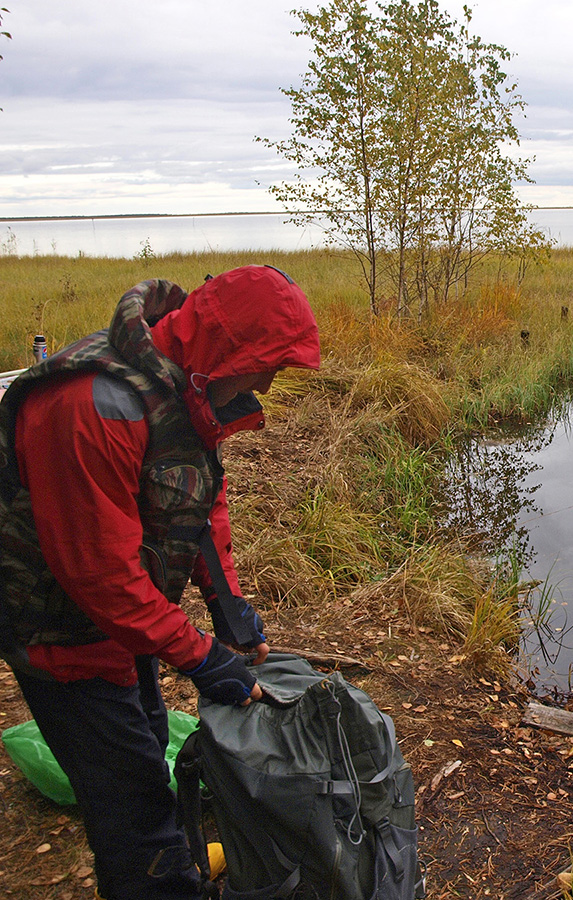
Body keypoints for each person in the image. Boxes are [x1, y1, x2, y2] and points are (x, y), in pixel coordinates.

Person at [0, 265, 320, 900]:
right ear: (229, 350)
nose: (271, 381)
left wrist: (227, 606)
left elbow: (201, 500)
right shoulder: (90, 406)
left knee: (150, 757)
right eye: (270, 364)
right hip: (62, 639)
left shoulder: (185, 388)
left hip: (124, 631)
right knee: (132, 811)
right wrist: (200, 656)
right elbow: (99, 575)